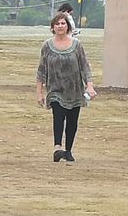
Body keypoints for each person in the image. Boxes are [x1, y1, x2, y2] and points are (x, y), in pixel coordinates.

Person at [35, 11, 94, 162]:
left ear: (68, 26)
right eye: (57, 24)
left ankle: (68, 151)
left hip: (74, 89)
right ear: (53, 27)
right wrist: (39, 92)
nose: (60, 26)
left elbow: (85, 67)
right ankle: (57, 147)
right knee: (58, 115)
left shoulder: (76, 45)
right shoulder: (47, 46)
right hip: (55, 89)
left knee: (72, 121)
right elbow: (41, 70)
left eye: (63, 23)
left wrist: (89, 86)